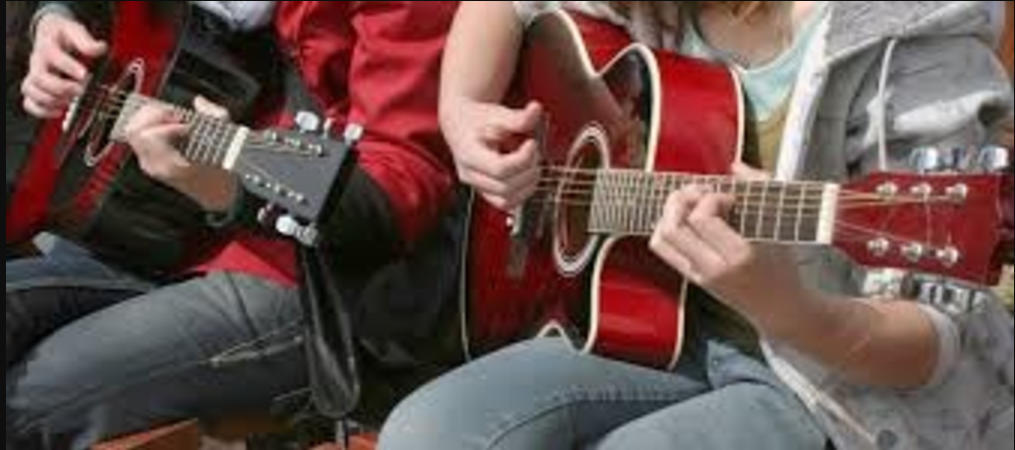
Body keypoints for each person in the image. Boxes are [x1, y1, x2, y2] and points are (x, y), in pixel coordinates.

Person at [378, 2, 1015, 449]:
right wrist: (462, 112)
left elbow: (935, 340)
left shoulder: (913, 45)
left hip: (825, 381)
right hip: (647, 321)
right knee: (428, 432)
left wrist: (790, 309)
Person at [7, 1, 461, 448]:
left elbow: (400, 193)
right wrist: (55, 18)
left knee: (24, 403)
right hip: (140, 226)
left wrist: (228, 186)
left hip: (308, 282)